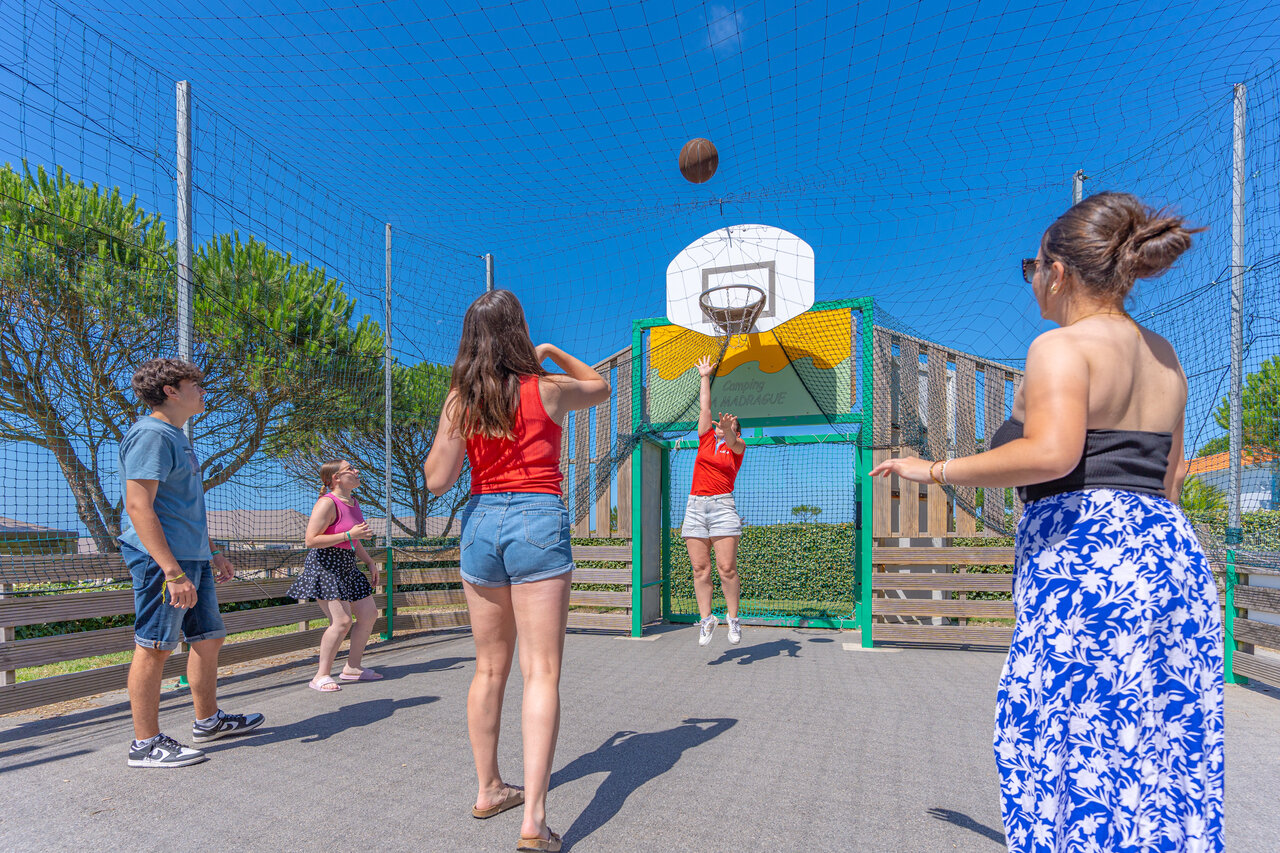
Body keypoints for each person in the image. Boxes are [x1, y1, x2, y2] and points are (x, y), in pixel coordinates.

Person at [870, 192, 1222, 853]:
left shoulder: (1059, 346)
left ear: (1056, 271)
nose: (1031, 278)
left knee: (1068, 742)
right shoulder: (1166, 355)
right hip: (1169, 560)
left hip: (1089, 565)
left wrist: (935, 470)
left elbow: (1053, 451)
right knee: (1158, 746)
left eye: (1031, 265)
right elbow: (1170, 478)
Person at [423, 289, 609, 853]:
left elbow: (436, 480)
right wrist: (550, 352)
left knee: (488, 670)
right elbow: (602, 388)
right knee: (542, 673)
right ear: (518, 333)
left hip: (480, 521)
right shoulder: (548, 388)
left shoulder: (460, 400)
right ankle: (533, 821)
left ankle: (488, 790)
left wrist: (453, 422)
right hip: (537, 516)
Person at [119, 358, 263, 768]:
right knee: (155, 646)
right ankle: (145, 744)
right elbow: (138, 504)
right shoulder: (151, 434)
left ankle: (208, 721)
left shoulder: (176, 437)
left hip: (192, 555)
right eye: (195, 384)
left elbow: (184, 507)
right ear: (170, 390)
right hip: (165, 560)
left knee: (208, 638)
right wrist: (172, 570)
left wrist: (211, 551)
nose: (202, 391)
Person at [288, 459, 382, 692]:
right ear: (336, 478)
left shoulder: (353, 502)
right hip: (326, 566)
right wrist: (348, 534)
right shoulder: (326, 503)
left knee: (369, 614)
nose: (357, 470)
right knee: (341, 622)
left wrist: (369, 562)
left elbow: (354, 539)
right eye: (350, 468)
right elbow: (311, 540)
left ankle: (352, 668)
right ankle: (320, 676)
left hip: (348, 565)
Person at [682, 355, 747, 646]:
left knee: (726, 568)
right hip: (695, 506)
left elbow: (734, 442)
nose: (723, 426)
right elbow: (705, 406)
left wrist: (731, 434)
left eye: (731, 426)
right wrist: (705, 376)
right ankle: (707, 619)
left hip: (722, 507)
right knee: (700, 568)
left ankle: (733, 619)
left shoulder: (738, 448)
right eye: (722, 424)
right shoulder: (706, 438)